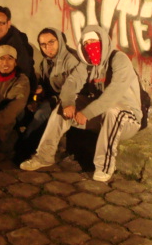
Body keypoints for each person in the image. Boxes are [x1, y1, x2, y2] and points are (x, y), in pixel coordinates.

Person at [20, 25, 143, 182]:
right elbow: (72, 82)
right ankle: (44, 156)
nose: (90, 46)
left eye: (94, 42)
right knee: (62, 107)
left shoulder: (119, 59)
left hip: (127, 118)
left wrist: (88, 112)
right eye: (86, 43)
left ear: (103, 41)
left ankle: (104, 166)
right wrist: (68, 103)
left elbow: (114, 92)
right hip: (100, 116)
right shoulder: (87, 62)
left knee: (112, 111)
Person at [16, 27, 80, 161]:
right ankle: (22, 144)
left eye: (51, 42)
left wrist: (53, 99)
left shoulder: (71, 60)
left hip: (69, 101)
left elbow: (74, 89)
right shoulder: (46, 61)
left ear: (60, 41)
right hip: (52, 98)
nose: (47, 48)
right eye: (43, 44)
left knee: (41, 114)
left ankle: (25, 150)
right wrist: (39, 91)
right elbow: (45, 84)